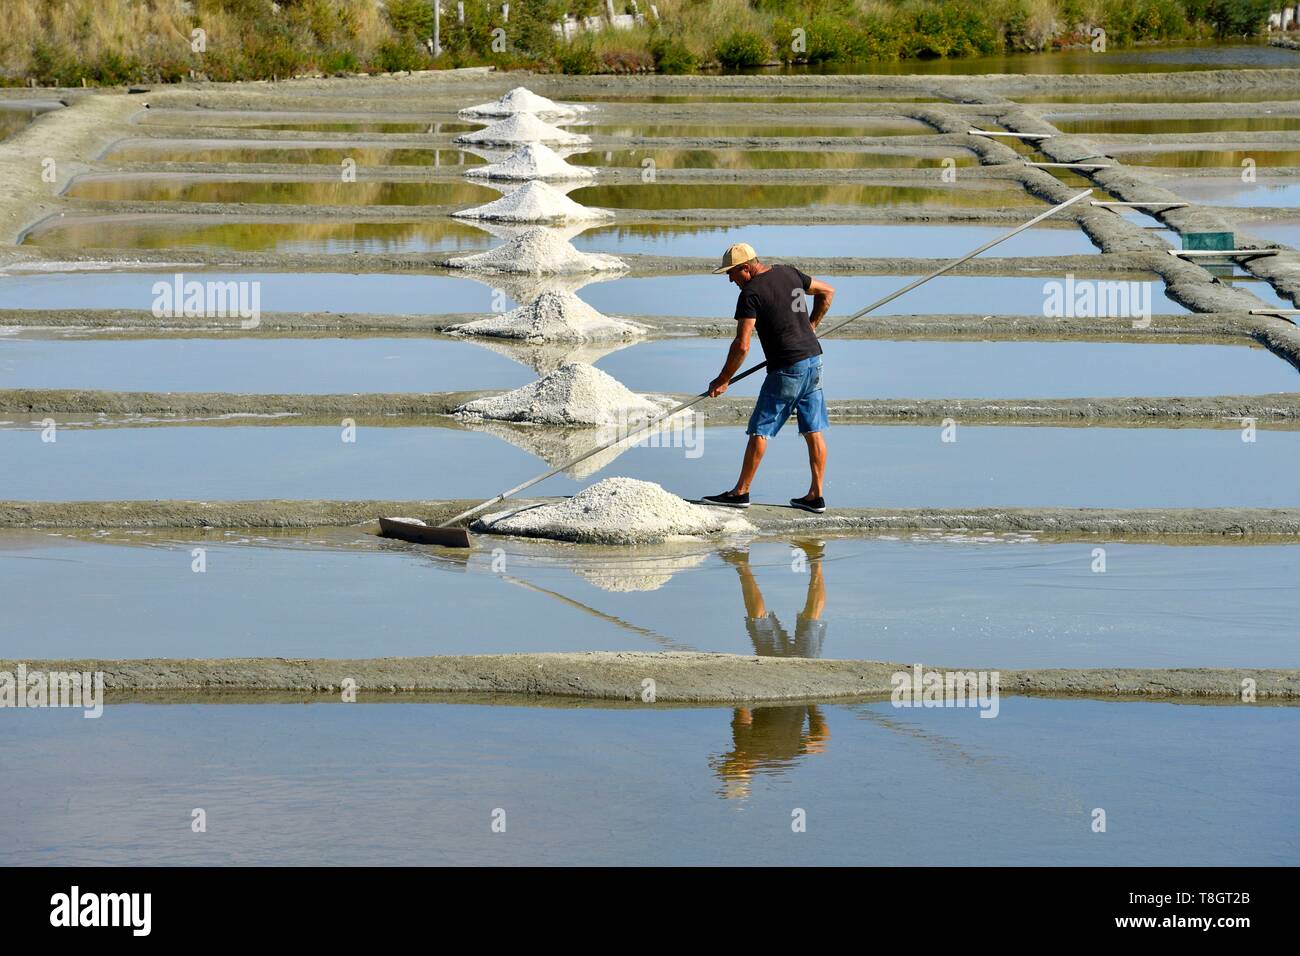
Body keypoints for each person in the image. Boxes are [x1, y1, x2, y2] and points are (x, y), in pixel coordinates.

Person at [702, 242, 835, 513]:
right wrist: (811, 327)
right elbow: (827, 292)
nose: (730, 279)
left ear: (746, 268)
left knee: (760, 430)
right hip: (813, 360)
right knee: (813, 429)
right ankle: (816, 496)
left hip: (787, 368)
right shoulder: (789, 273)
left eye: (732, 273)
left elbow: (742, 345)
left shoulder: (751, 293)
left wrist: (723, 378)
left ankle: (740, 492)